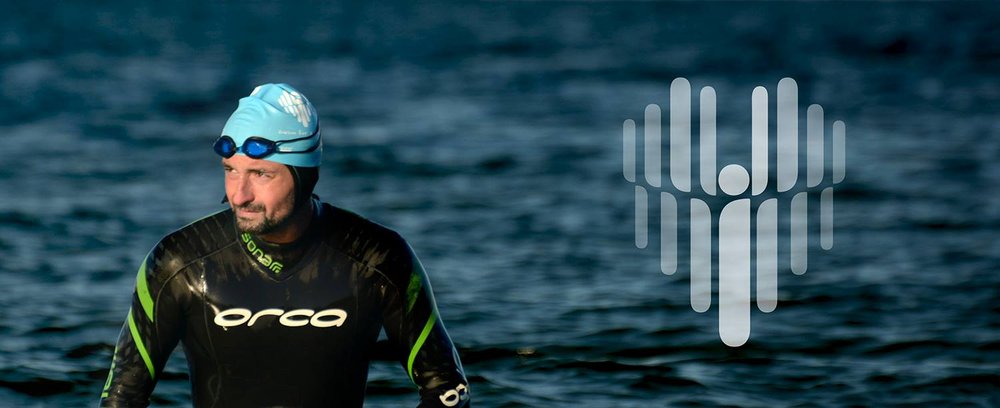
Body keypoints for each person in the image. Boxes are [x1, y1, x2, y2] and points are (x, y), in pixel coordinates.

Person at [99, 83, 470, 407]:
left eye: (260, 174)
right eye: (230, 170)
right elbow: (122, 398)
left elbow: (448, 392)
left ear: (304, 175)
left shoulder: (376, 259)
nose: (239, 195)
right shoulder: (179, 263)